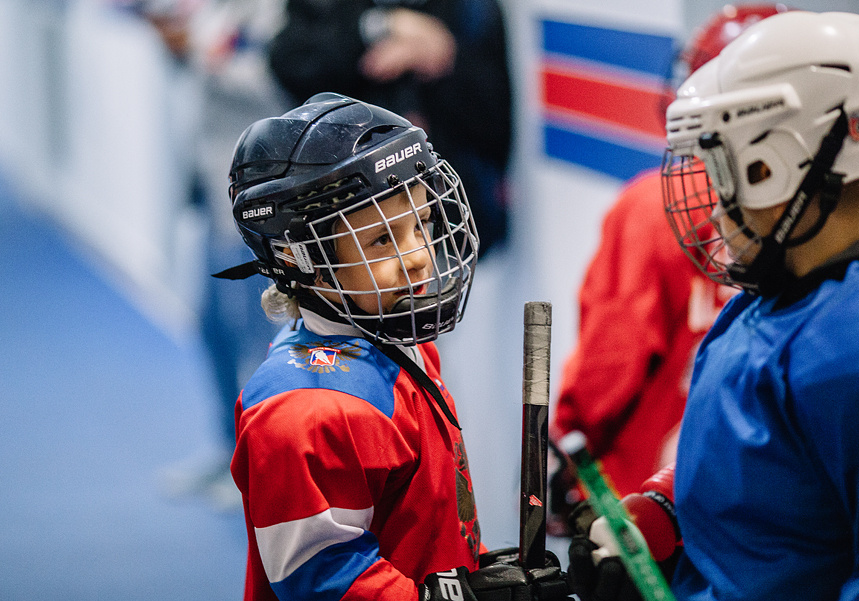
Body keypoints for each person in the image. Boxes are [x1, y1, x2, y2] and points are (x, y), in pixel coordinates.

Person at [569, 10, 859, 600]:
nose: (715, 206)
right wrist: (666, 511)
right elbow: (766, 474)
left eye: (723, 170)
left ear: (779, 162)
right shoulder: (769, 297)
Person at [215, 93, 570, 601]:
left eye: (421, 226)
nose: (419, 257)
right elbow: (319, 578)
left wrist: (475, 572)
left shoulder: (392, 340)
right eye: (382, 240)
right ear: (298, 256)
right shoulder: (305, 411)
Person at [550, 4, 784, 505]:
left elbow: (610, 363)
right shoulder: (830, 212)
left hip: (651, 501)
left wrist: (569, 445)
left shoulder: (654, 205)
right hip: (766, 495)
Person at [116, 0, 292, 509]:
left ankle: (266, 468)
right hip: (214, 188)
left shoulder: (280, 11)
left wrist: (200, 46)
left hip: (260, 198)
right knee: (210, 326)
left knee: (262, 339)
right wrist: (182, 42)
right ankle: (228, 449)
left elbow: (281, 83)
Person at [265, 0, 512, 258]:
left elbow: (497, 121)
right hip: (346, 213)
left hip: (447, 221)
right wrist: (377, 26)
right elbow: (290, 62)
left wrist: (444, 57)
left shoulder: (472, 10)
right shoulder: (333, 11)